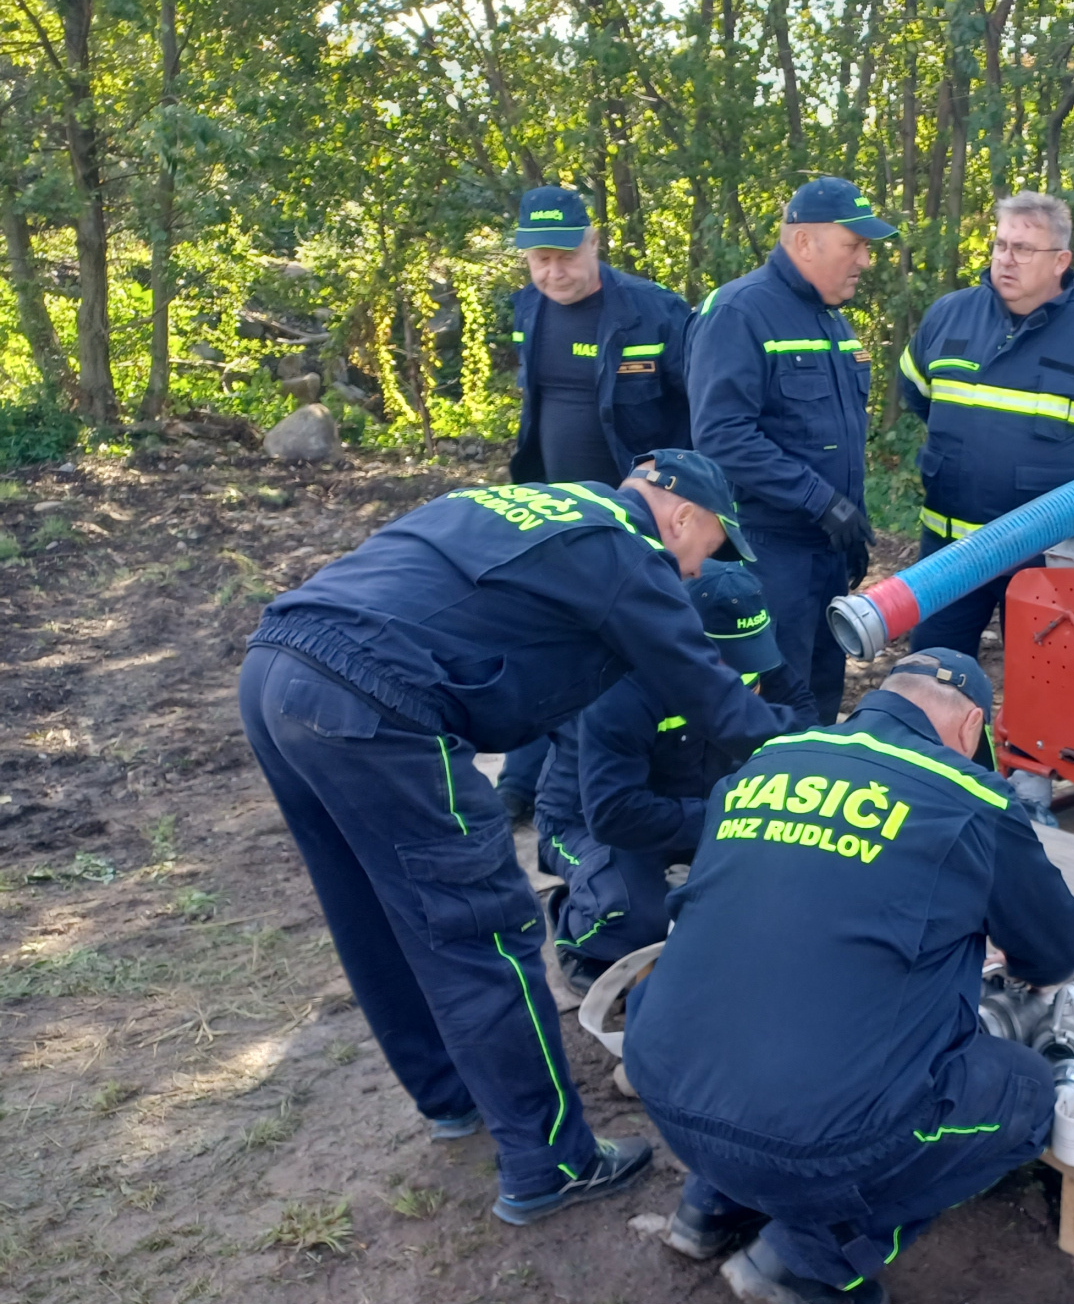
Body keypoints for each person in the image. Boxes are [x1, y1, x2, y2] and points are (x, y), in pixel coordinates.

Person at [238, 450, 800, 1227]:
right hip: (376, 704)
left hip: (277, 663)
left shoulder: (535, 504)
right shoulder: (628, 551)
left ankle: (450, 1096)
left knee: (370, 908)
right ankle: (551, 1162)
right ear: (680, 517)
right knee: (483, 929)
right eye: (708, 549)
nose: (700, 572)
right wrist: (818, 766)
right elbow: (715, 698)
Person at [623, 649, 1074, 1304]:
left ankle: (708, 1207)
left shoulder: (768, 763)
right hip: (812, 1138)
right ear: (970, 727)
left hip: (666, 1087)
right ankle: (804, 1259)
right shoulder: (969, 799)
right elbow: (1056, 952)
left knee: (760, 994)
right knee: (1023, 1093)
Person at [496, 186, 695, 825]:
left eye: (564, 256)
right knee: (542, 639)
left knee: (624, 650)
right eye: (539, 260)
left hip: (634, 523)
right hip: (551, 514)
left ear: (594, 241)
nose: (553, 273)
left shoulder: (654, 312)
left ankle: (607, 785)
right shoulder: (529, 309)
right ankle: (520, 779)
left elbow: (701, 412)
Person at [896, 191, 1074, 657]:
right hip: (948, 552)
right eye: (1000, 245)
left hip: (1046, 560)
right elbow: (916, 391)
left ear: (1061, 261)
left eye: (1022, 249)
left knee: (1045, 680)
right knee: (930, 671)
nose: (1006, 258)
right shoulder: (949, 315)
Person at [687, 177, 896, 725]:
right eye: (854, 245)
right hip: (766, 552)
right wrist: (820, 500)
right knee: (773, 703)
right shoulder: (739, 312)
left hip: (825, 550)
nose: (864, 260)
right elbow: (721, 435)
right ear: (805, 242)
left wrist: (850, 524)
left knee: (819, 697)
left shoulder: (832, 318)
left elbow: (838, 438)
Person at [536, 560, 795, 990]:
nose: (745, 676)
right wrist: (724, 815)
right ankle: (581, 927)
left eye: (751, 659)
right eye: (731, 662)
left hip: (691, 803)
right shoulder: (620, 687)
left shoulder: (748, 646)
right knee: (635, 915)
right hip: (589, 819)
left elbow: (797, 710)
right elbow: (613, 814)